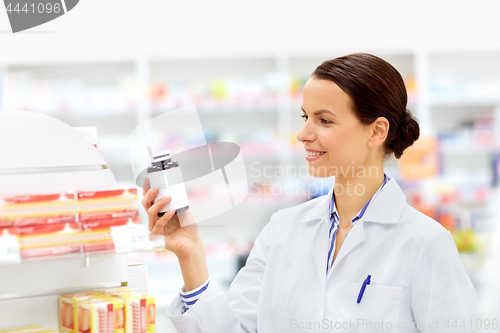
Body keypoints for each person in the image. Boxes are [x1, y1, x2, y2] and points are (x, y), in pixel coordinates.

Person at [142, 53, 477, 332]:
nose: (303, 133)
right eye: (305, 117)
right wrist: (191, 254)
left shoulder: (425, 243)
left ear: (376, 131)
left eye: (324, 121)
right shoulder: (281, 231)